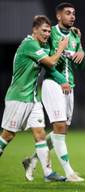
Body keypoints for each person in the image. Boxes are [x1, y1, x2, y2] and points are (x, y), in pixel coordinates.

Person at [0, 15, 69, 182]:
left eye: (48, 31)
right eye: (44, 31)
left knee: (40, 134)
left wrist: (64, 81)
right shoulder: (29, 45)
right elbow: (52, 62)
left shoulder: (40, 47)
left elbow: (51, 65)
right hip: (18, 97)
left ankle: (48, 174)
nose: (47, 34)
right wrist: (61, 48)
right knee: (7, 135)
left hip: (33, 98)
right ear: (34, 30)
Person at [22, 2, 85, 182]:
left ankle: (32, 160)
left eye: (73, 13)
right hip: (53, 84)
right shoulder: (50, 34)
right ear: (59, 16)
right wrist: (61, 80)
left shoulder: (74, 35)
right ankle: (68, 172)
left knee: (62, 130)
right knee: (59, 127)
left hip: (69, 86)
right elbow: (47, 63)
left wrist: (81, 49)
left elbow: (80, 62)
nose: (72, 16)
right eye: (68, 13)